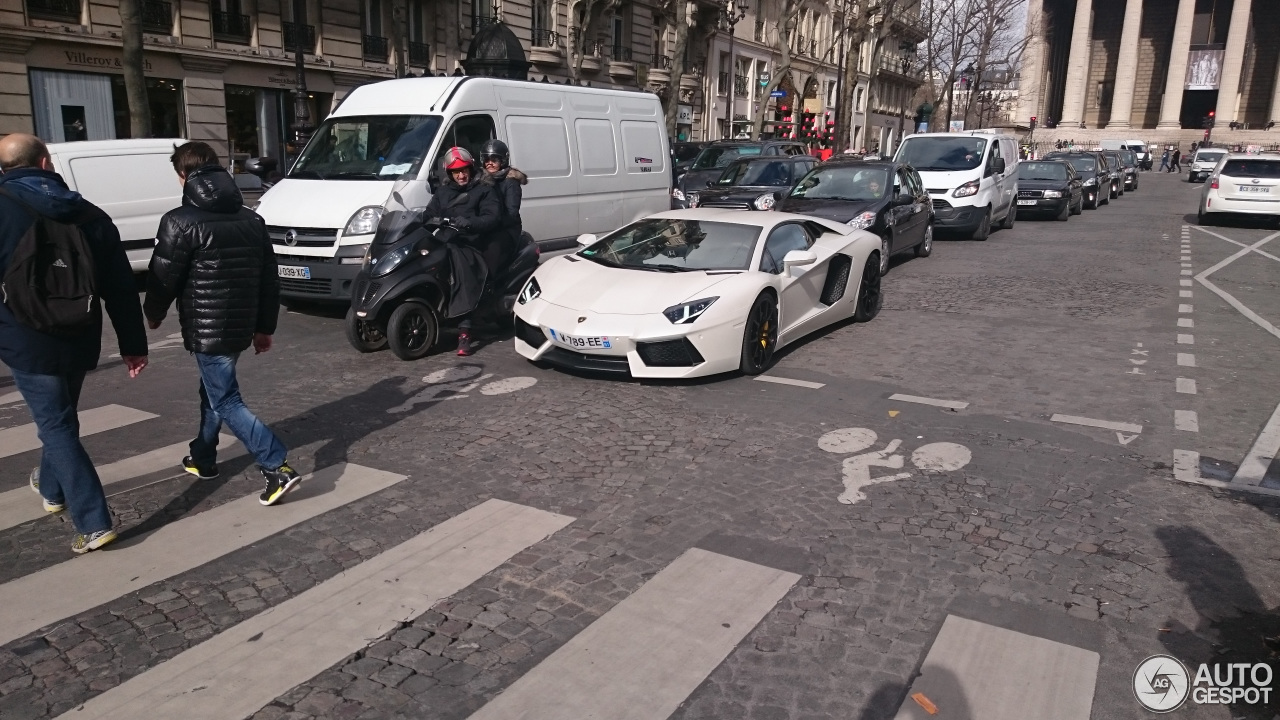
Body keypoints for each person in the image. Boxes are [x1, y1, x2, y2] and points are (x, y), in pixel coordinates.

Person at [0, 133, 149, 554]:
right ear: (46, 163)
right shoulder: (88, 212)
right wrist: (133, 344)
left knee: (55, 424)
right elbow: (120, 287)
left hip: (25, 337)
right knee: (61, 419)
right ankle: (51, 488)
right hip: (80, 332)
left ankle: (94, 521)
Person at [144, 142, 300, 506]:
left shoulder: (179, 220)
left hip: (207, 327)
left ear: (184, 176)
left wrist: (153, 314)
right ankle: (203, 456)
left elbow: (162, 276)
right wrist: (264, 327)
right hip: (240, 324)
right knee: (214, 391)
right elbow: (269, 280)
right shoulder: (251, 218)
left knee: (226, 399)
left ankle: (276, 465)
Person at [423, 146, 501, 356]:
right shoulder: (443, 191)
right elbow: (428, 213)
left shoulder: (484, 190)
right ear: (449, 173)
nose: (461, 175)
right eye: (456, 171)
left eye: (464, 170)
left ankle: (465, 330)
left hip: (471, 244)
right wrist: (429, 220)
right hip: (445, 240)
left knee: (459, 264)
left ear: (471, 168)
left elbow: (492, 217)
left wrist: (470, 223)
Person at [480, 138, 527, 273]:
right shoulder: (481, 180)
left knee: (492, 249)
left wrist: (491, 223)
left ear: (502, 161)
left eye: (494, 159)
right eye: (486, 159)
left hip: (506, 229)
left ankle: (491, 284)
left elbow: (512, 213)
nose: (489, 163)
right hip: (486, 226)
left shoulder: (510, 182)